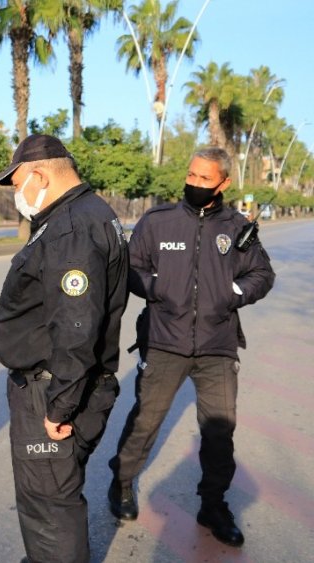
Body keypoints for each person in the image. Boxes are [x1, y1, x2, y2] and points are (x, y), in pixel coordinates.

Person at [107, 147, 275, 548]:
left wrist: (234, 292)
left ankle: (213, 505)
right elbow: (130, 267)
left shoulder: (237, 227)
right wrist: (158, 289)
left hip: (217, 345)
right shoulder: (158, 221)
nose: (195, 183)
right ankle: (123, 483)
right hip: (165, 341)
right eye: (192, 175)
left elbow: (262, 274)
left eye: (205, 178)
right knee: (146, 421)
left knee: (220, 432)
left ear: (223, 184)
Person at [0, 134, 129, 563]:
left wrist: (58, 408)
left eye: (16, 185)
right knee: (55, 497)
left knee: (50, 508)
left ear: (39, 174)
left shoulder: (70, 229)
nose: (17, 195)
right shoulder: (91, 214)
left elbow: (76, 326)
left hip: (53, 390)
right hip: (72, 383)